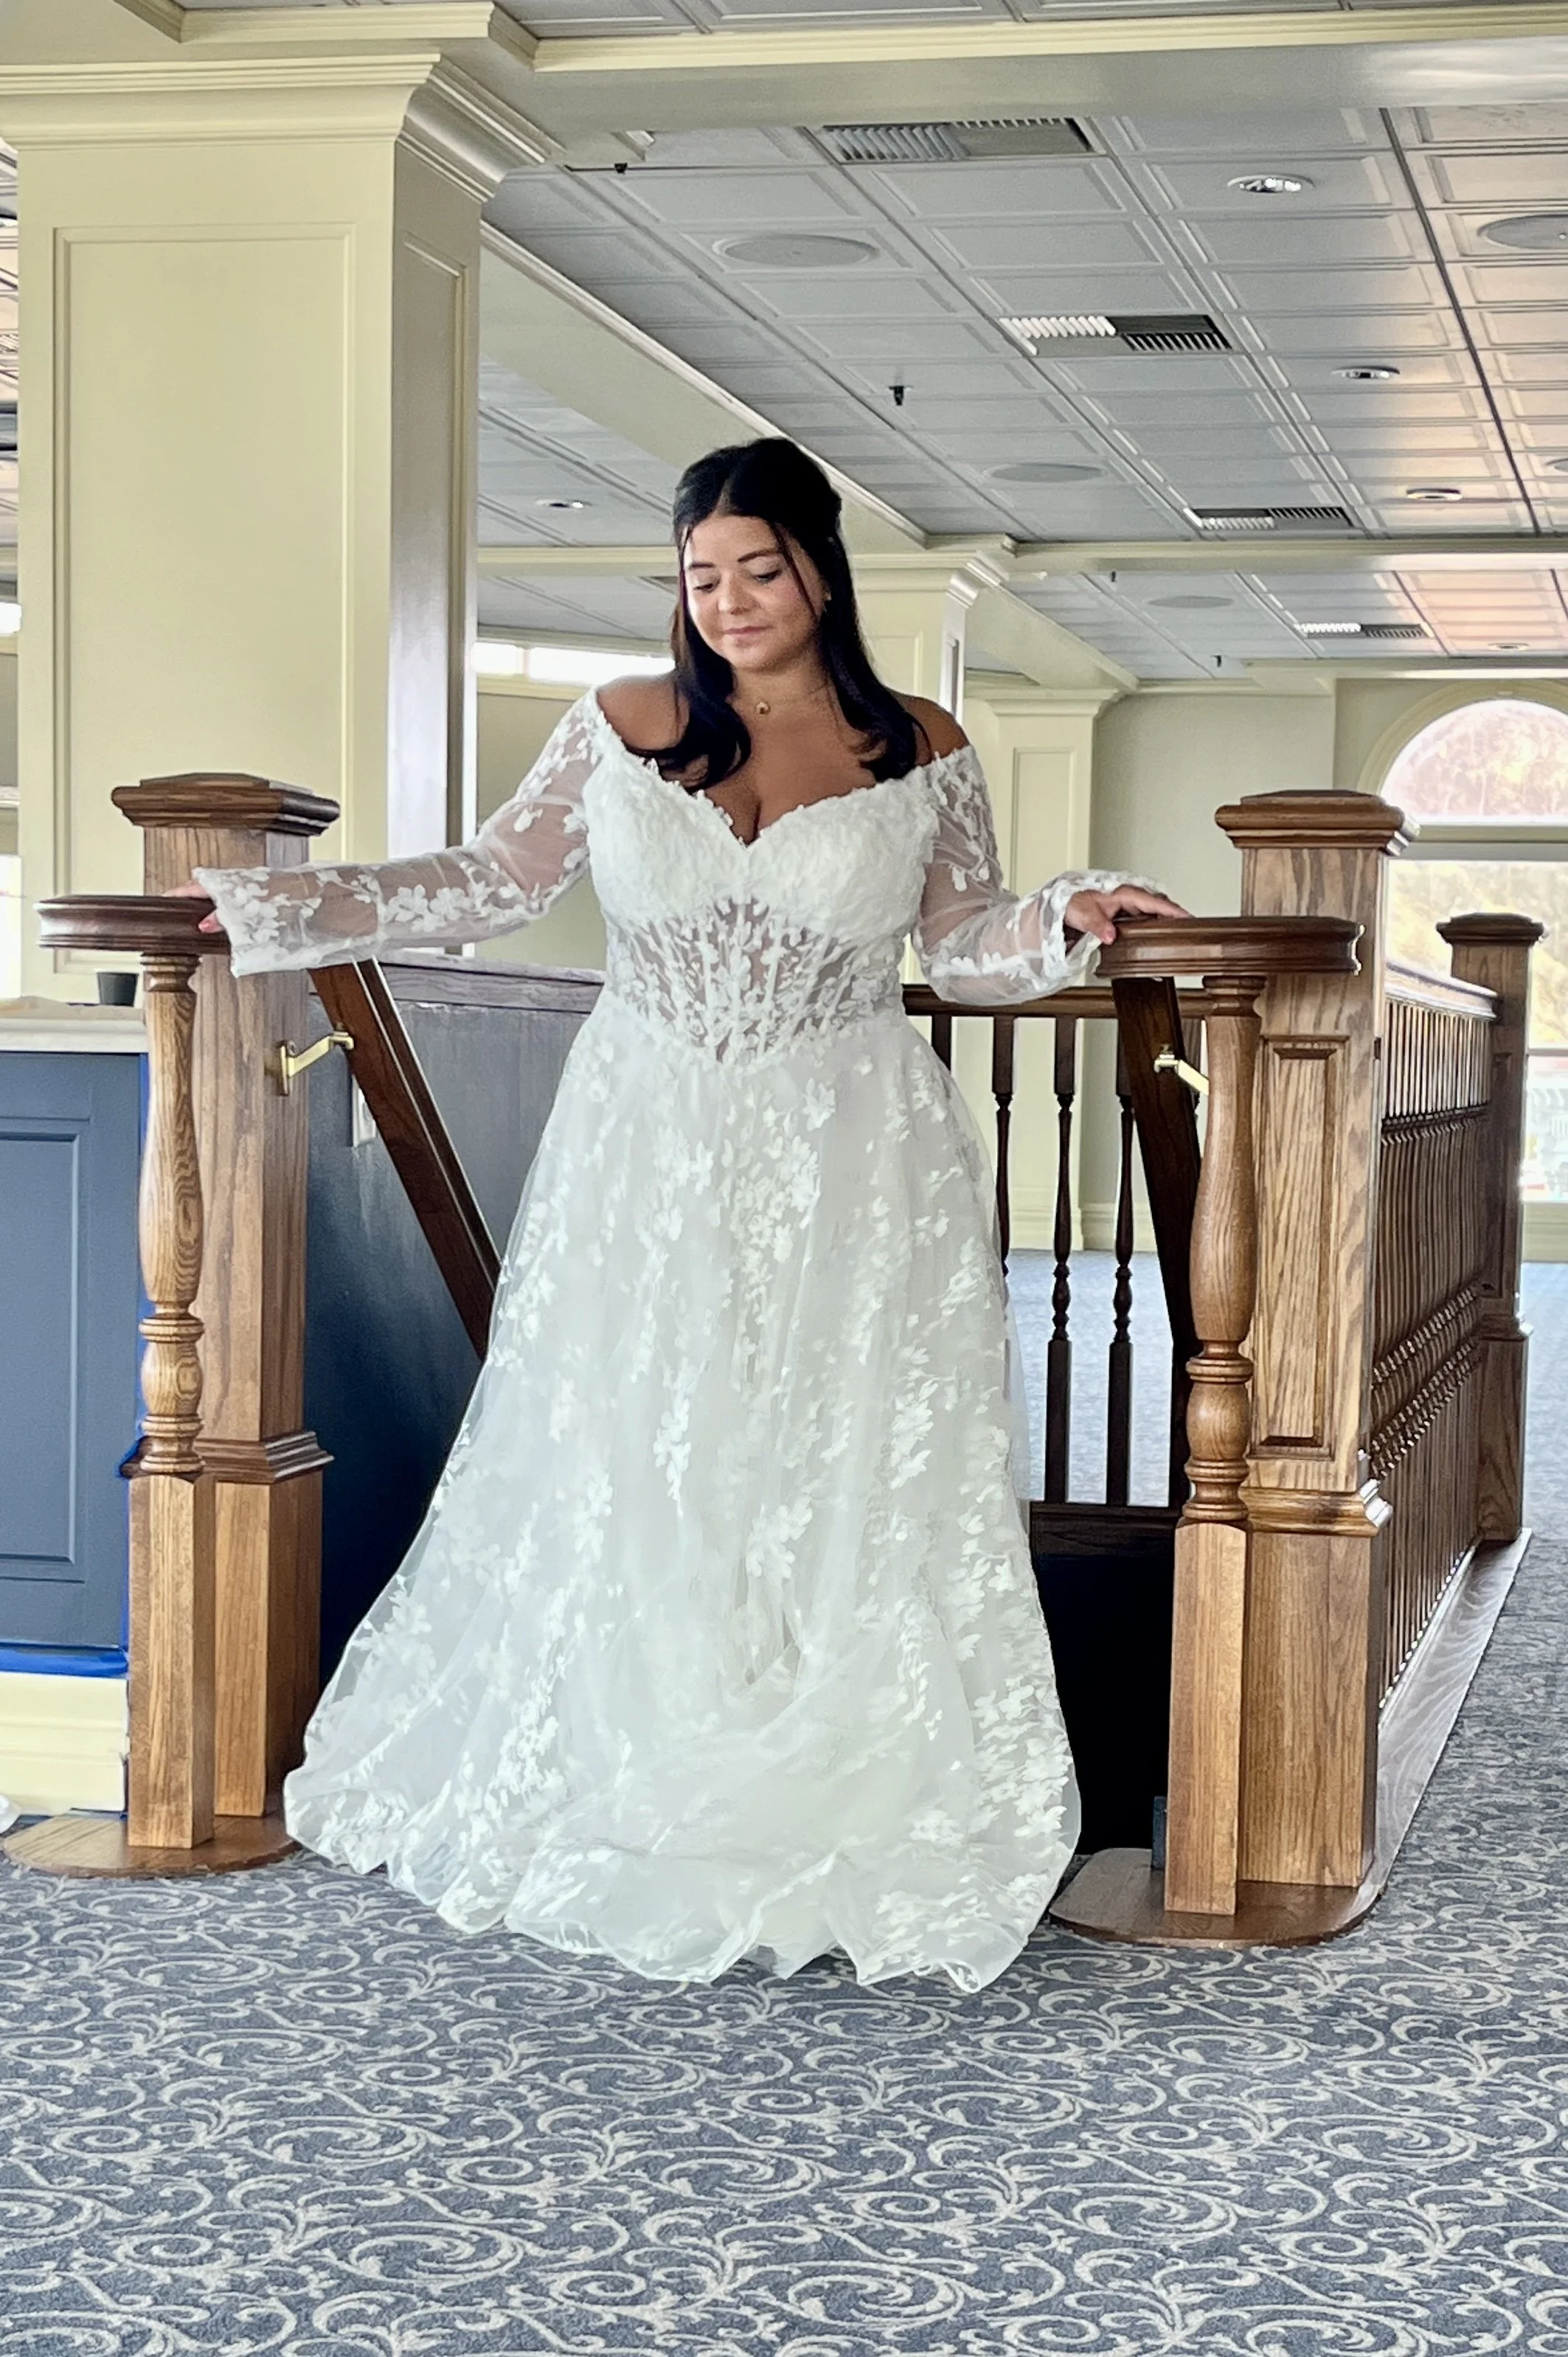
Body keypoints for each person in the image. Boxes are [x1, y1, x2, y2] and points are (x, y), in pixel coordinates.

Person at [178, 437, 1185, 1991]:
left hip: (855, 1146)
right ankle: (638, 1736)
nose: (725, 602)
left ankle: (826, 1746)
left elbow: (963, 944)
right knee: (639, 1428)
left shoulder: (918, 743)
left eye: (756, 569)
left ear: (820, 572)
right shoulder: (623, 725)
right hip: (645, 1139)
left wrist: (1067, 912)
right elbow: (494, 878)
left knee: (832, 1442)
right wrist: (280, 905)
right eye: (698, 576)